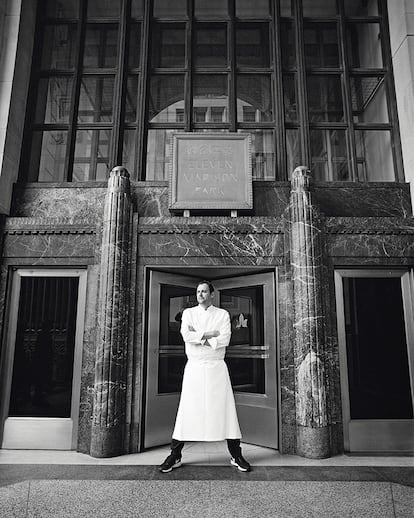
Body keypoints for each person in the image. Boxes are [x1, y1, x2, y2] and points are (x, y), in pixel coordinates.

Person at [159, 280, 251, 473]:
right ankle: (175, 455)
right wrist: (211, 334)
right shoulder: (188, 313)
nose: (200, 294)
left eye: (204, 291)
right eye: (198, 291)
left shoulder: (222, 314)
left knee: (225, 411)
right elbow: (187, 337)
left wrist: (200, 337)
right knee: (187, 411)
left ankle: (236, 454)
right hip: (194, 368)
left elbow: (224, 338)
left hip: (217, 368)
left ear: (212, 294)